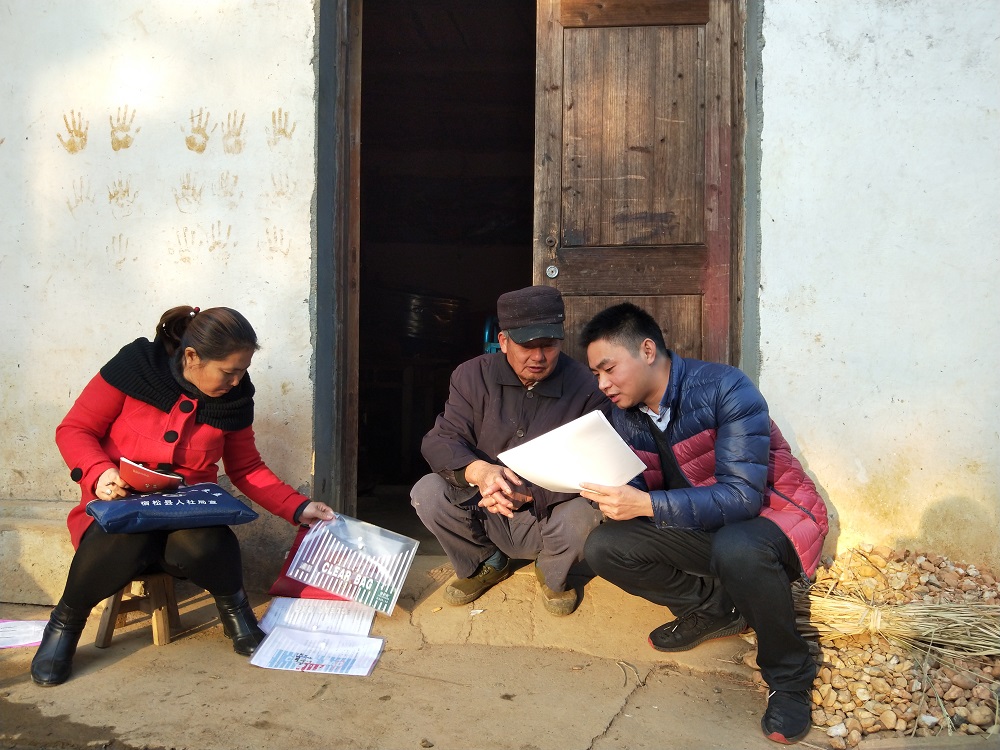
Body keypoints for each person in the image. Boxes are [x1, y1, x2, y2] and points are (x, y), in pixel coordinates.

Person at [31, 305, 335, 687]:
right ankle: (64, 624)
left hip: (186, 520)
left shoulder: (235, 399)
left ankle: (237, 613)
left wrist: (299, 506)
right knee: (123, 536)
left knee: (207, 540)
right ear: (192, 356)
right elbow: (75, 429)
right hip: (119, 513)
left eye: (242, 371)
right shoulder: (136, 367)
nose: (237, 382)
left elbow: (246, 468)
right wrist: (99, 472)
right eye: (228, 372)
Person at [578, 303, 828, 745]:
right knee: (604, 546)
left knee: (738, 547)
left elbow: (742, 497)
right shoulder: (625, 415)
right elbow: (638, 487)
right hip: (704, 526)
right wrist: (609, 490)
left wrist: (646, 503)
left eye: (609, 369)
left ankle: (790, 677)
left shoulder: (726, 388)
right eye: (596, 374)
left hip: (774, 519)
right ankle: (717, 609)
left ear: (648, 350)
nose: (603, 384)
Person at [412, 286, 610, 616]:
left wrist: (532, 491)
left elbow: (596, 461)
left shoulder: (587, 386)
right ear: (503, 341)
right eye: (527, 346)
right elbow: (440, 440)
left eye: (549, 345)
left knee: (586, 512)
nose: (539, 357)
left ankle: (552, 570)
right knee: (427, 492)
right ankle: (487, 562)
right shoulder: (471, 376)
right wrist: (479, 472)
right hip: (487, 508)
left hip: (548, 515)